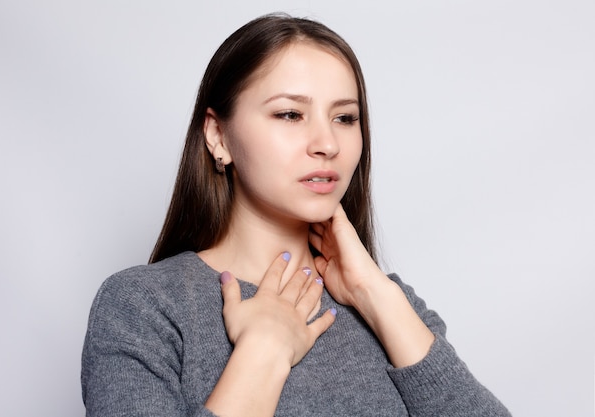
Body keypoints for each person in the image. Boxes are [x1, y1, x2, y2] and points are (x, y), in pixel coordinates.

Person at [81, 13, 511, 417]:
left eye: (345, 117)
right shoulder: (144, 306)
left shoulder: (390, 301)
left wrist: (373, 295)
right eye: (290, 114)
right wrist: (264, 350)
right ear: (218, 135)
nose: (327, 143)